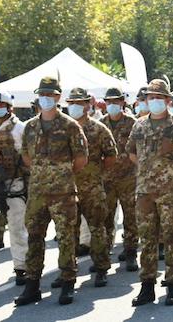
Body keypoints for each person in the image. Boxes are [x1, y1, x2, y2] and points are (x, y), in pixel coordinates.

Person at [15, 77, 89, 306]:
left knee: (66, 238)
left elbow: (81, 159)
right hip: (37, 192)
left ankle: (67, 283)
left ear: (58, 97)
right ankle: (32, 285)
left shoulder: (69, 125)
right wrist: (43, 174)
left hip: (63, 193)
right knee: (34, 237)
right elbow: (26, 157)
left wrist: (61, 175)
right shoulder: (30, 127)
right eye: (42, 94)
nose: (46, 98)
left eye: (50, 94)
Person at [126, 79, 173, 306]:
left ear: (167, 100)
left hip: (171, 192)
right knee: (146, 239)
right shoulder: (139, 126)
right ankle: (147, 286)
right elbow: (132, 153)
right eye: (150, 97)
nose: (154, 101)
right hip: (145, 192)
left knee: (172, 237)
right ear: (145, 100)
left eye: (159, 97)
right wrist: (148, 173)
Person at [58, 87, 116, 288]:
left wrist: (96, 173)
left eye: (79, 103)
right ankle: (67, 271)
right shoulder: (61, 128)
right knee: (67, 232)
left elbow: (111, 156)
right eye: (71, 103)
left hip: (92, 187)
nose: (75, 107)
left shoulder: (99, 129)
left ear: (87, 105)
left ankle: (101, 269)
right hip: (67, 188)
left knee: (97, 229)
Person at [0, 90, 29, 287]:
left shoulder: (20, 129)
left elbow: (27, 159)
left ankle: (21, 267)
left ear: (10, 108)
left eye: (2, 106)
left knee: (17, 227)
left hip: (14, 183)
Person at [100, 87, 139, 272]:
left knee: (131, 218)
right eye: (109, 102)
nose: (112, 105)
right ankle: (104, 254)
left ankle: (131, 253)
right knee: (106, 218)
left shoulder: (133, 123)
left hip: (129, 179)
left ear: (123, 102)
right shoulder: (101, 124)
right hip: (107, 179)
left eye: (116, 101)